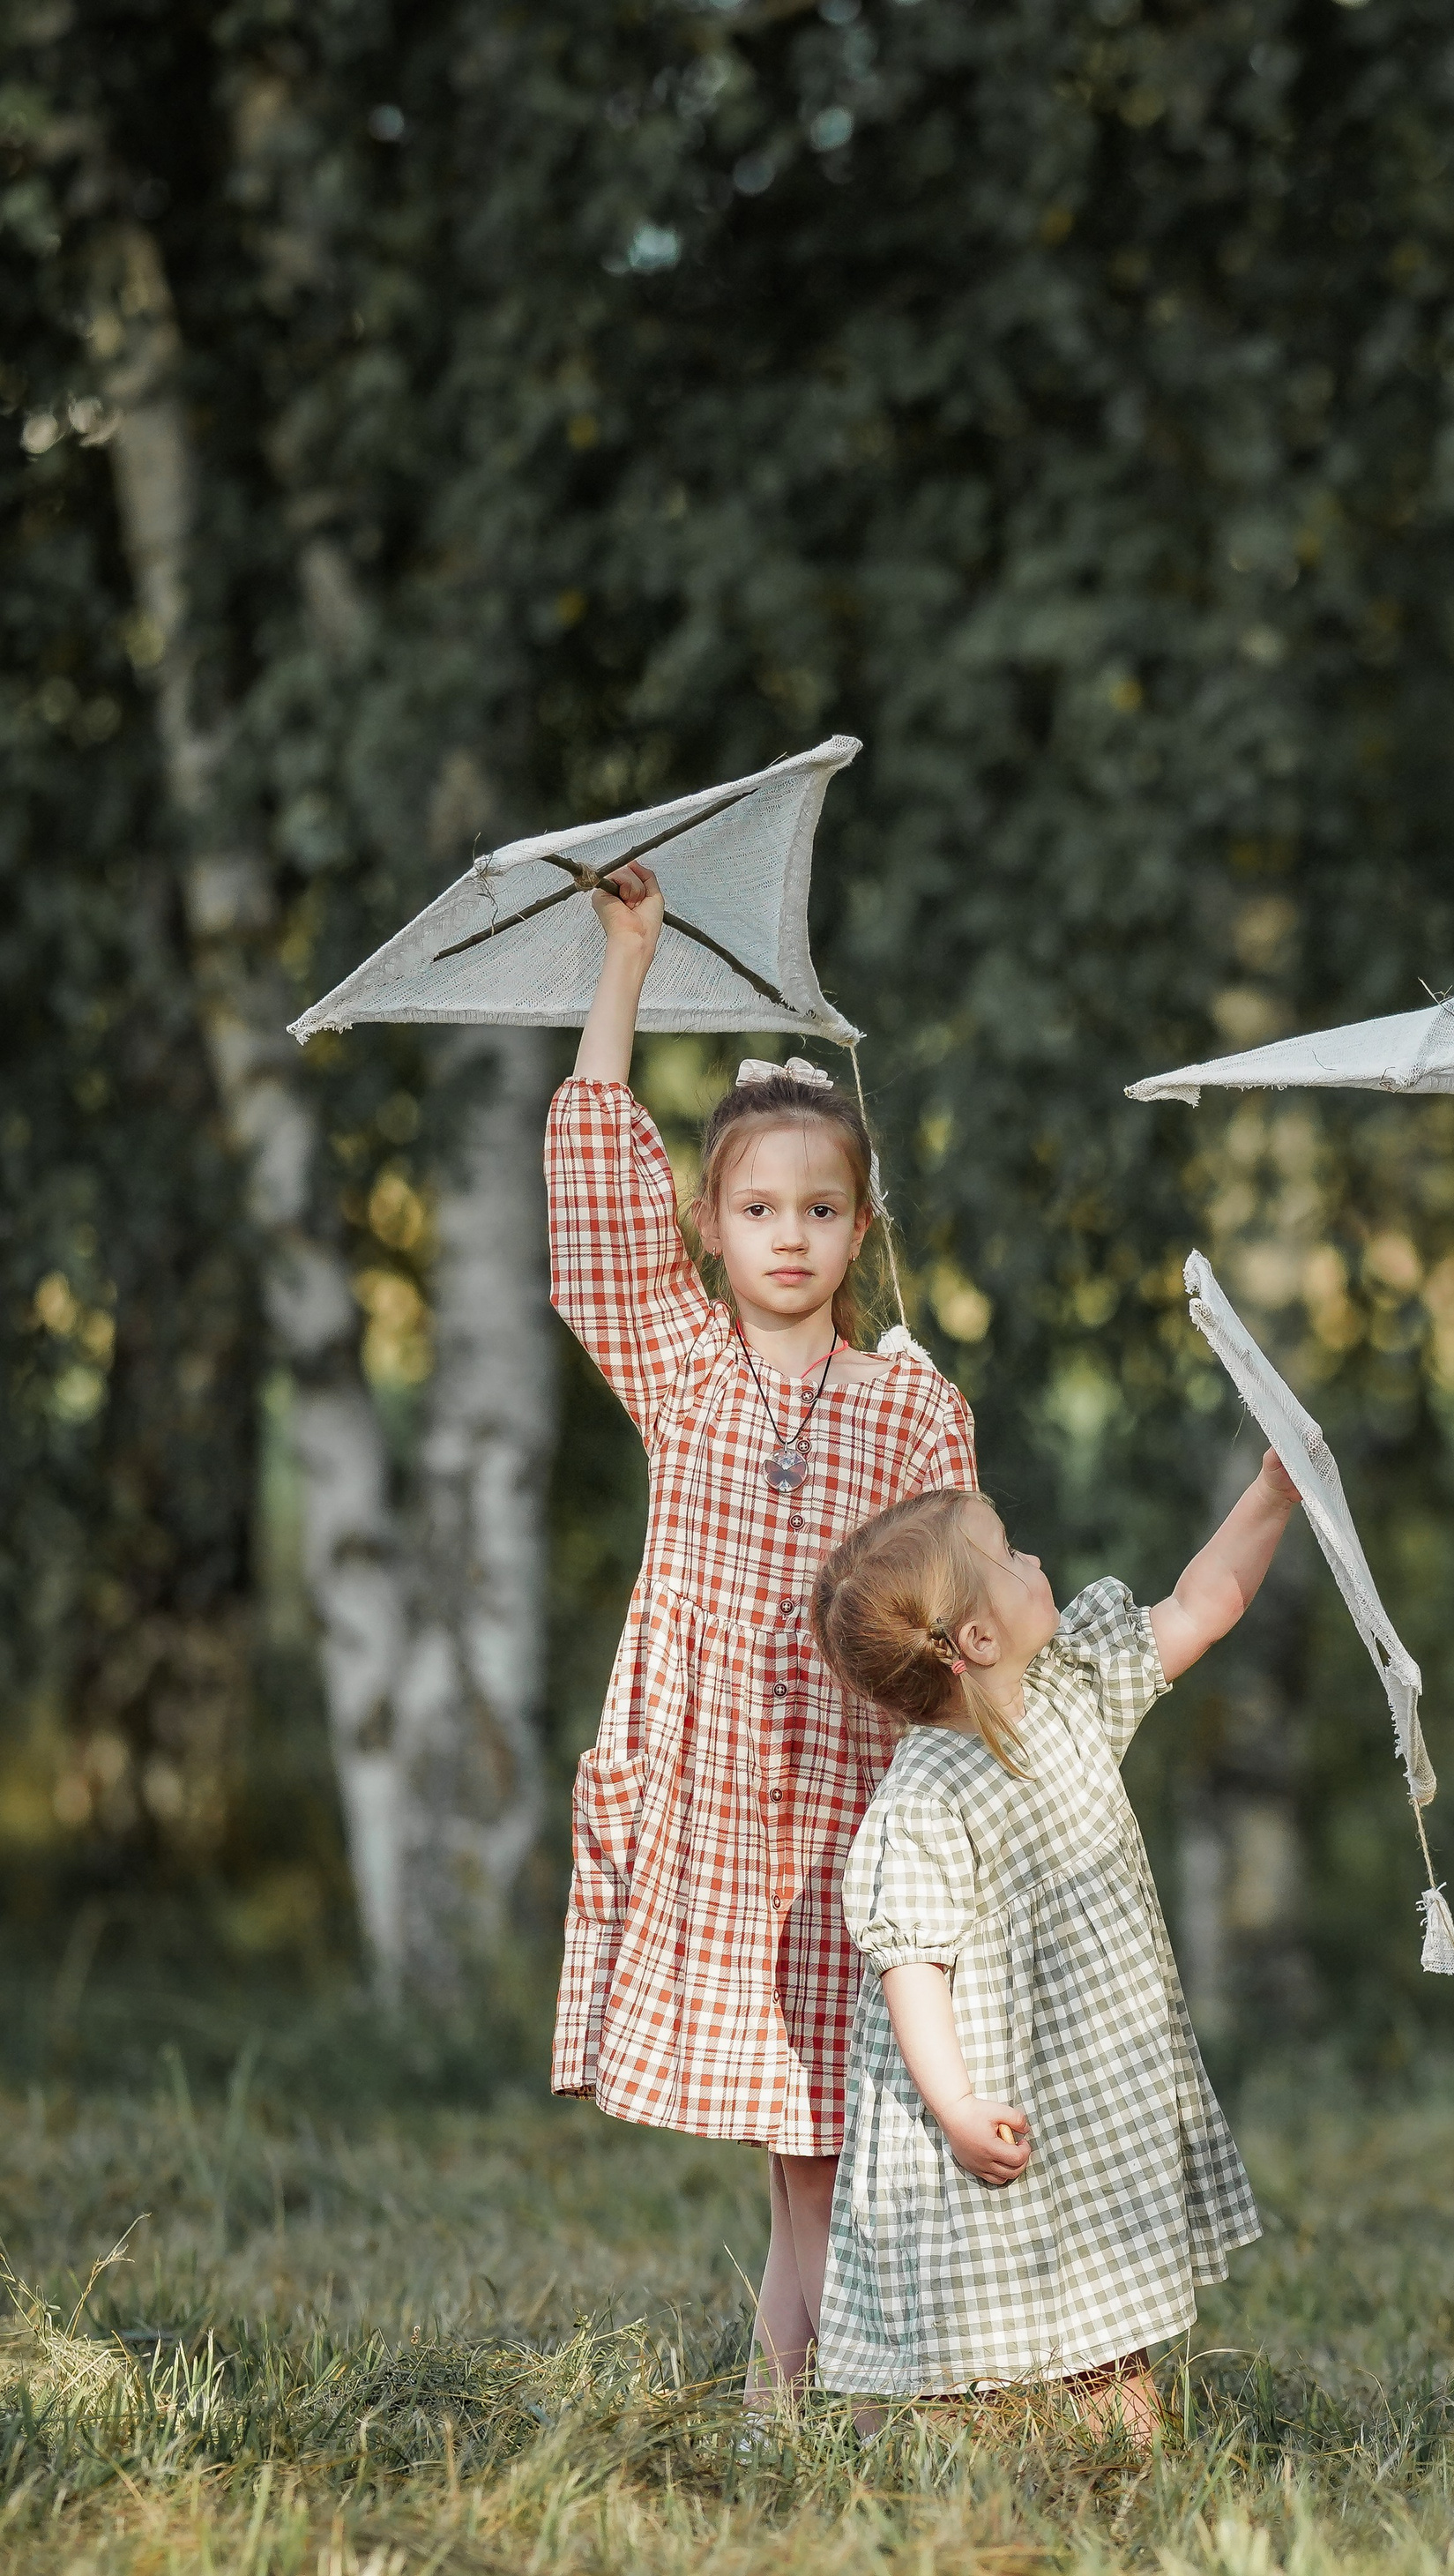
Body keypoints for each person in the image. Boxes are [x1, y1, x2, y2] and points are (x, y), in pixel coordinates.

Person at [547, 859, 978, 2413]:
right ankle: (799, 2401)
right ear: (713, 1223)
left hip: (858, 1810)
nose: (786, 1236)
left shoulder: (911, 1400)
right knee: (802, 2143)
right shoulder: (680, 1361)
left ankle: (805, 2396)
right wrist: (628, 967)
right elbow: (597, 1208)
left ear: (859, 1226)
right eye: (753, 1208)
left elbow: (961, 1616)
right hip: (729, 1810)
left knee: (837, 2137)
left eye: (817, 1208)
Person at [804, 1462, 1300, 2437]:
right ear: (977, 1637)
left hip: (1086, 2081)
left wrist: (1273, 1490)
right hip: (995, 2096)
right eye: (1008, 1551)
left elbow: (1200, 1604)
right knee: (971, 2310)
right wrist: (953, 2104)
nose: (1034, 1557)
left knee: (1103, 2283)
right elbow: (912, 1966)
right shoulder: (926, 1797)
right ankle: (929, 2434)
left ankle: (1112, 2429)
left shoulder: (1066, 1690)